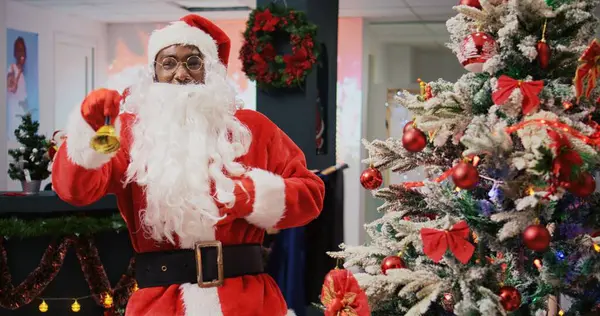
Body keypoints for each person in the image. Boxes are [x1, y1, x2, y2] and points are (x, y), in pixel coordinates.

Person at [52, 14, 325, 316]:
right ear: (153, 73)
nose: (180, 74)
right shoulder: (131, 133)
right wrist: (89, 133)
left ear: (210, 70)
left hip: (247, 302)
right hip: (161, 305)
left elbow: (311, 194)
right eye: (168, 63)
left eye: (192, 62)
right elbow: (75, 191)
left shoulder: (252, 129)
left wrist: (252, 195)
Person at [6, 37, 28, 139]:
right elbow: (12, 88)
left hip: (22, 110)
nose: (21, 53)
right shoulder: (11, 68)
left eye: (23, 50)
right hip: (14, 109)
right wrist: (19, 72)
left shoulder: (22, 72)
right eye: (19, 50)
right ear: (15, 53)